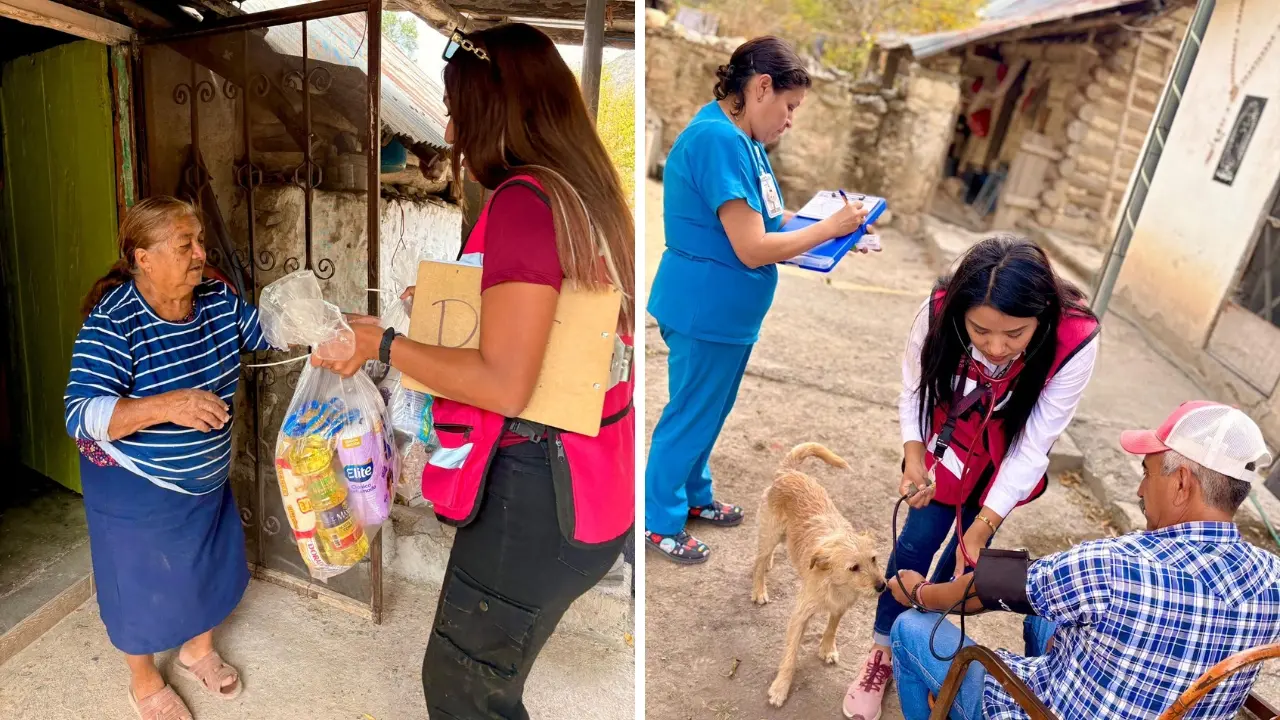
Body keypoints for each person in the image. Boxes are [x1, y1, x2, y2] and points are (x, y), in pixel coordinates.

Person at [312, 24, 635, 719]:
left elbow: (503, 382)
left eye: (458, 108)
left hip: (538, 496)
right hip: (594, 487)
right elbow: (552, 328)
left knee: (465, 689)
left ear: (496, 110)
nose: (451, 125)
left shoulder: (524, 203)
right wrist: (445, 306)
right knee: (489, 682)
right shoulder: (585, 197)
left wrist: (382, 344)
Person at [886, 401, 1280, 720]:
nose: (1141, 489)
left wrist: (919, 591)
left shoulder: (1113, 565)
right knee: (1044, 615)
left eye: (1148, 474)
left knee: (909, 628)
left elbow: (985, 589)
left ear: (1181, 484)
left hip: (1043, 711)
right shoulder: (1274, 577)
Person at [843, 235, 1101, 719]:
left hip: (1005, 460)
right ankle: (882, 649)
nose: (997, 347)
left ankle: (920, 645)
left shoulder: (1074, 340)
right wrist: (915, 454)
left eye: (1016, 335)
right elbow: (913, 389)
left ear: (1042, 317)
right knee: (916, 540)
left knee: (963, 564)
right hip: (950, 442)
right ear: (961, 309)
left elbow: (1034, 445)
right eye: (980, 331)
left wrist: (983, 524)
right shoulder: (938, 311)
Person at [645, 35, 877, 564]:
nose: (790, 120)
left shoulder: (742, 141)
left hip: (727, 313)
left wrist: (841, 234)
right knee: (691, 412)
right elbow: (753, 248)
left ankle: (694, 496)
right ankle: (659, 518)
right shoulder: (718, 141)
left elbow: (771, 224)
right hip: (705, 308)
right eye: (790, 106)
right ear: (761, 87)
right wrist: (826, 230)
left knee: (711, 409)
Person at [64, 197, 278, 720]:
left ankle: (197, 650)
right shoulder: (114, 322)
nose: (201, 254)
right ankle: (143, 681)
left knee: (206, 564)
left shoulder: (217, 302)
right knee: (138, 585)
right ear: (144, 257)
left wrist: (324, 329)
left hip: (206, 477)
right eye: (185, 245)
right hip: (134, 486)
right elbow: (81, 413)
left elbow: (266, 334)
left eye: (200, 241)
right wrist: (171, 405)